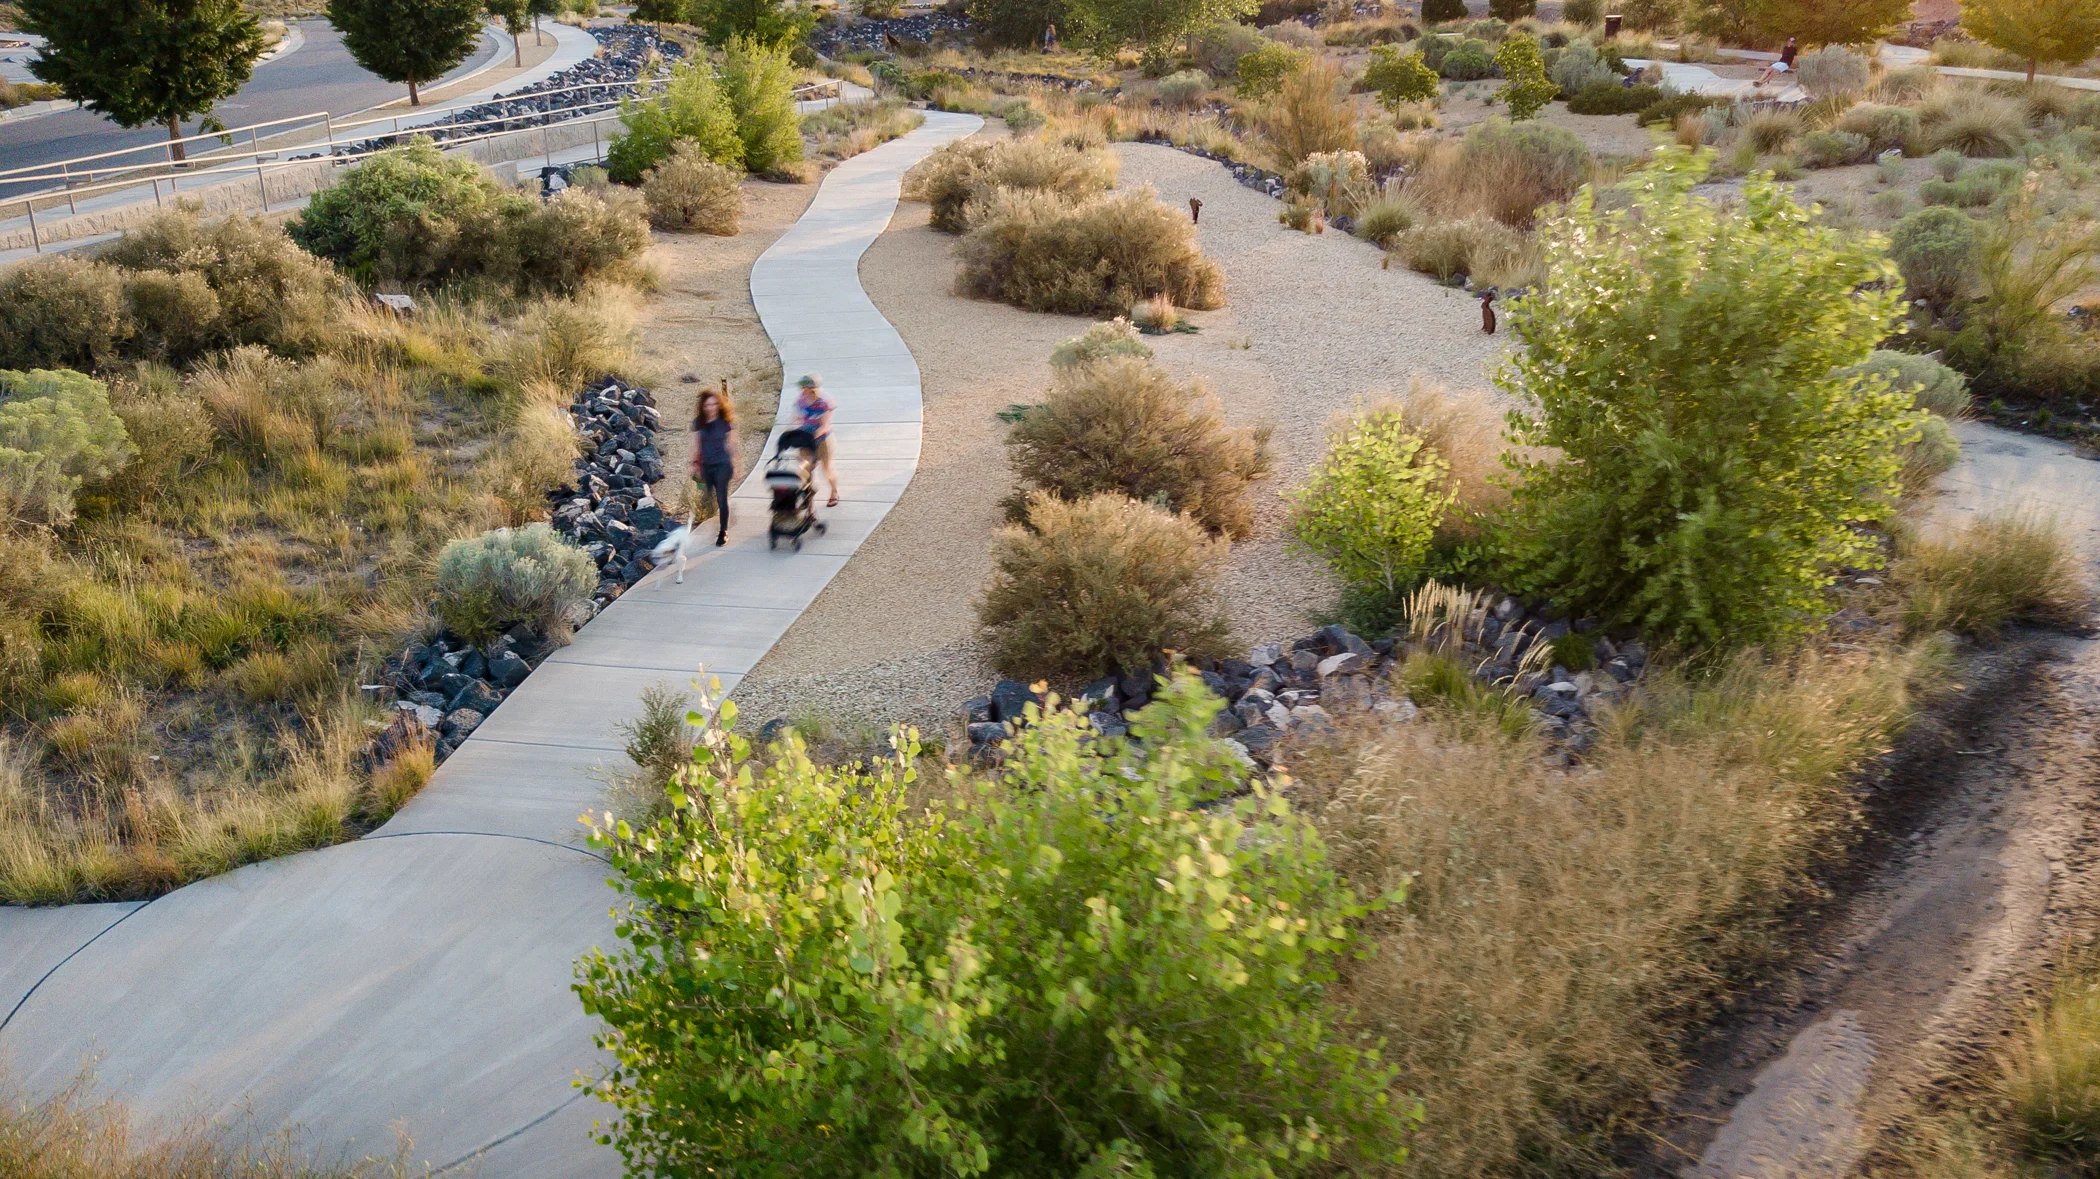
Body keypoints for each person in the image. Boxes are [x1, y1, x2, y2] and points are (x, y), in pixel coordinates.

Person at [689, 388, 738, 547]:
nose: (711, 408)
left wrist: (736, 466)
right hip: (706, 466)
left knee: (721, 498)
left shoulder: (726, 422)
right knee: (706, 496)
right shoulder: (699, 423)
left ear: (719, 405)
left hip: (723, 464)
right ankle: (727, 515)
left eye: (714, 404)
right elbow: (695, 445)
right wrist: (694, 464)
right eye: (707, 405)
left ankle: (723, 532)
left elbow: (733, 446)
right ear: (702, 406)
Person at [795, 375, 839, 507]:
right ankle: (808, 498)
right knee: (803, 468)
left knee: (827, 469)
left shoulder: (824, 402)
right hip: (805, 440)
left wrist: (812, 436)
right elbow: (796, 417)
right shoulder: (801, 400)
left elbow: (824, 425)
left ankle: (834, 492)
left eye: (804, 387)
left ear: (811, 388)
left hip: (823, 441)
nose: (801, 389)